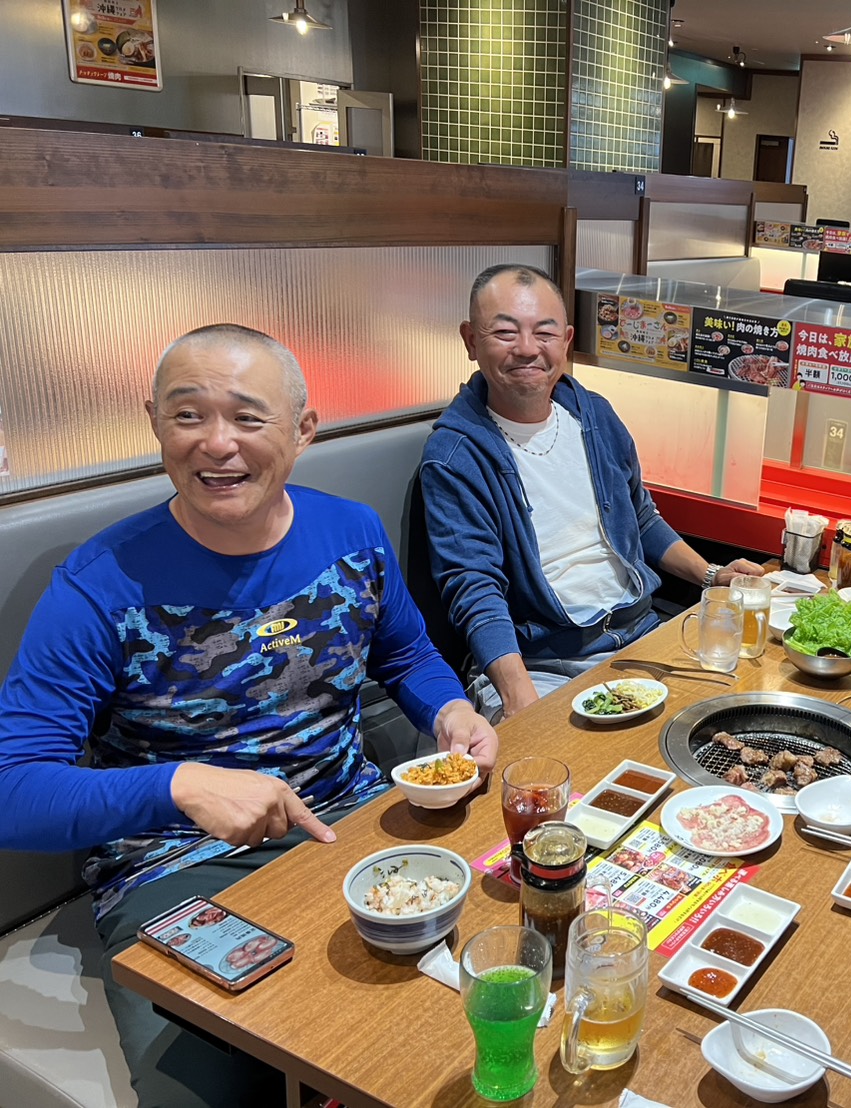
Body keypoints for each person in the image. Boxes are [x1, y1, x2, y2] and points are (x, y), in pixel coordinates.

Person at [0, 324, 499, 1108]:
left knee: (487, 994)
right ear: (155, 423)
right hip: (177, 869)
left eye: (246, 416)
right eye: (187, 415)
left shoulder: (351, 533)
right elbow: (12, 790)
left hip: (352, 821)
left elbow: (404, 654)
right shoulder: (98, 585)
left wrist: (450, 709)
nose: (216, 444)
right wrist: (179, 786)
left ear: (303, 429)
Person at [419, 264, 764, 721]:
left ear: (565, 341)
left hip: (641, 637)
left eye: (544, 333)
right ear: (470, 341)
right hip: (543, 664)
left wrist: (711, 575)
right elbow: (474, 587)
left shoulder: (595, 416)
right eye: (505, 332)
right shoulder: (455, 456)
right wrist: (521, 701)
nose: (527, 348)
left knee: (742, 708)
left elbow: (640, 518)